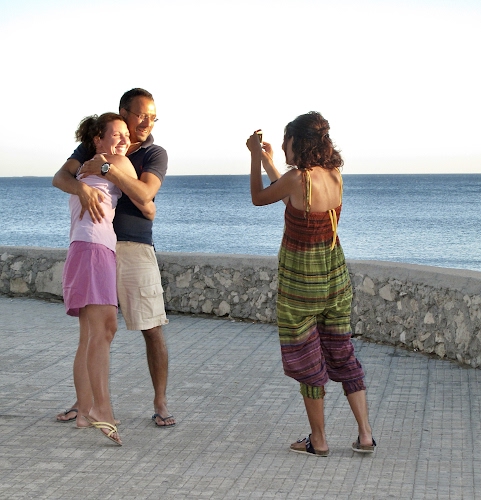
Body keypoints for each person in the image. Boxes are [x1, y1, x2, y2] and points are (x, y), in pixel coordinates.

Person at [246, 112, 375, 456]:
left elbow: (259, 197)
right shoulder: (334, 175)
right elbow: (290, 194)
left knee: (307, 359)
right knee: (342, 351)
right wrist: (269, 161)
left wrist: (255, 157)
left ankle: (318, 440)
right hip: (335, 276)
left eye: (286, 140)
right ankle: (365, 435)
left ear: (298, 142)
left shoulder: (296, 179)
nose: (283, 146)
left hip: (301, 283)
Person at [53, 89, 175, 428]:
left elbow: (147, 197)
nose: (147, 122)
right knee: (93, 331)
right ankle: (84, 403)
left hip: (134, 245)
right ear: (124, 113)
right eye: (141, 115)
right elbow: (61, 177)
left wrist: (108, 169)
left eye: (153, 117)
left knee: (151, 327)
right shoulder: (95, 144)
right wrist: (82, 188)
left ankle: (160, 402)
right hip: (97, 246)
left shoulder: (153, 153)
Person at [62, 112, 155, 445]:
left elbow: (62, 178)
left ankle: (85, 411)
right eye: (116, 134)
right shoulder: (115, 162)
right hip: (93, 248)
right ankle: (101, 409)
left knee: (91, 334)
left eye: (125, 135)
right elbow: (146, 201)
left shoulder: (88, 166)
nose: (123, 140)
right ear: (97, 140)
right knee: (103, 330)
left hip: (84, 248)